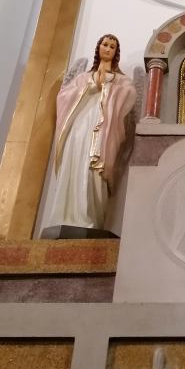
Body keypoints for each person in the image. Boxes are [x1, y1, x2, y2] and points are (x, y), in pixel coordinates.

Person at [48, 34, 136, 231]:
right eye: (105, 44)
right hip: (80, 127)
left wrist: (110, 88)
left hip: (104, 132)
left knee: (93, 171)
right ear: (98, 48)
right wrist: (89, 86)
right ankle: (68, 215)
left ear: (116, 52)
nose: (108, 49)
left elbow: (130, 96)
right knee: (75, 165)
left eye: (112, 46)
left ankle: (91, 218)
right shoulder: (82, 78)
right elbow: (63, 97)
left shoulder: (122, 80)